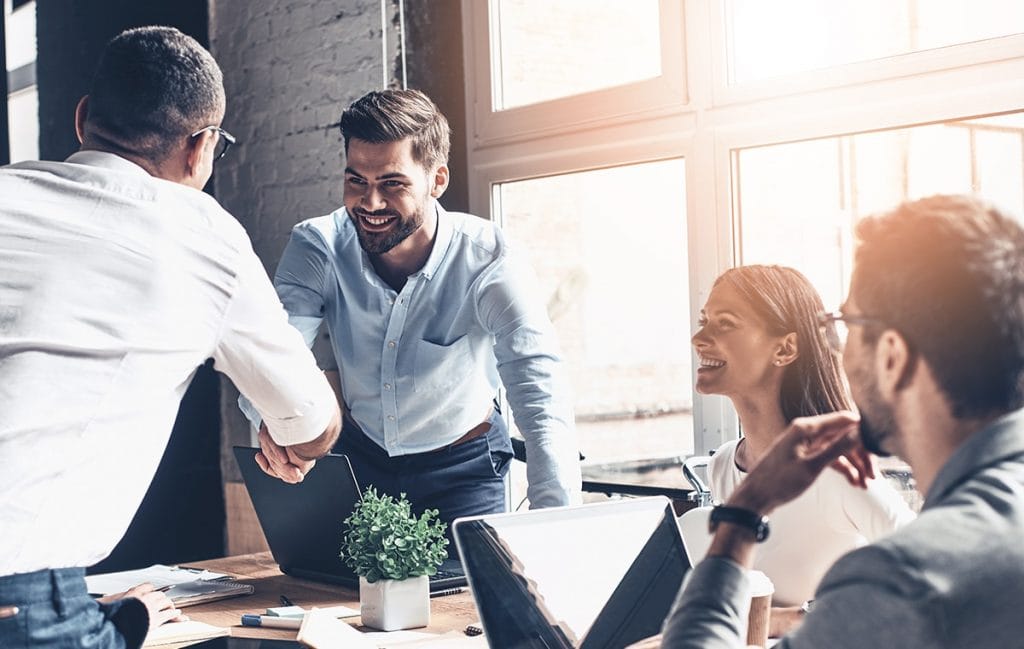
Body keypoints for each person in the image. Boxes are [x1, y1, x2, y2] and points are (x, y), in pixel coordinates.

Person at [0, 27, 341, 649]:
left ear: (82, 120)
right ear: (201, 147)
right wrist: (284, 428)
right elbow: (311, 425)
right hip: (21, 601)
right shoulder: (201, 233)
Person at [662, 194, 1024, 648]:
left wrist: (741, 516)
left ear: (892, 356)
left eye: (844, 324)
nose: (834, 348)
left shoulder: (903, 579)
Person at [243, 89, 582, 530]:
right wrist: (274, 424)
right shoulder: (318, 245)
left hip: (463, 470)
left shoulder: (489, 260)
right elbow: (273, 352)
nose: (370, 203)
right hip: (359, 460)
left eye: (392, 183)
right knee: (340, 595)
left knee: (470, 598)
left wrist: (556, 526)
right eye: (356, 181)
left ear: (436, 180)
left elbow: (539, 391)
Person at [691, 265, 913, 632]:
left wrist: (787, 620)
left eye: (725, 323)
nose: (699, 338)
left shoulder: (836, 472)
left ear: (785, 348)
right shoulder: (724, 464)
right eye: (704, 321)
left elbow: (929, 576)